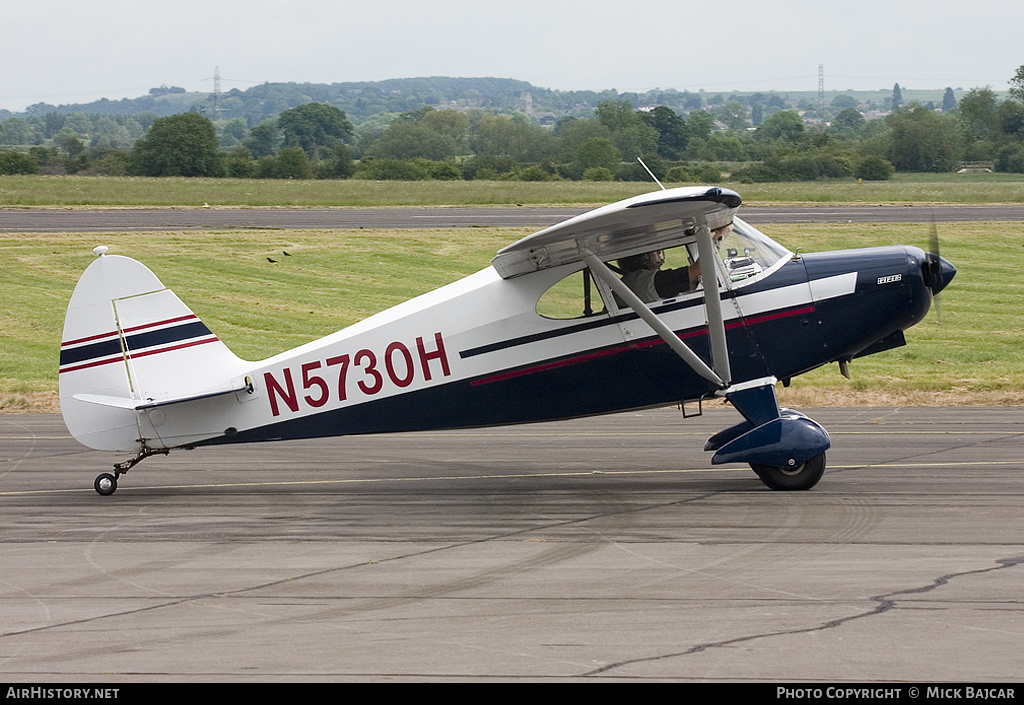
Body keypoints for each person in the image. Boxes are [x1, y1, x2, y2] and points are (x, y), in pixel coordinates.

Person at [616, 223, 733, 304]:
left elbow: (691, 282)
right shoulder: (646, 282)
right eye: (651, 249)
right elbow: (699, 270)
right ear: (641, 257)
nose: (658, 251)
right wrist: (719, 238)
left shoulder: (636, 281)